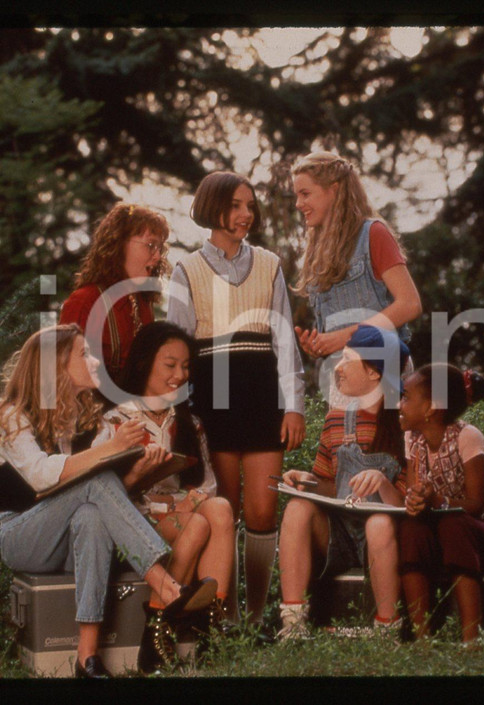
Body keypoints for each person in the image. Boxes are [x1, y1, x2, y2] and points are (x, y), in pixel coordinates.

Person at [0, 324, 217, 678]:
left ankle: (87, 658)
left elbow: (112, 493)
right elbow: (43, 476)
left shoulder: (89, 416)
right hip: (21, 536)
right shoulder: (14, 416)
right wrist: (111, 450)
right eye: (82, 354)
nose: (93, 361)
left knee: (91, 513)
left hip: (70, 538)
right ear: (56, 364)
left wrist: (141, 466)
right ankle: (165, 585)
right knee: (95, 482)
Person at [166, 171, 306, 630]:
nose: (246, 214)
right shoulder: (186, 270)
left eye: (250, 206)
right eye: (236, 205)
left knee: (264, 510)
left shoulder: (269, 264)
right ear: (213, 208)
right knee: (226, 505)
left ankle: (257, 615)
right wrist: (183, 415)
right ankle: (222, 615)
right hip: (213, 400)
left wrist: (294, 406)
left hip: (263, 397)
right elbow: (178, 350)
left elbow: (285, 341)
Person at [105, 321, 237, 670]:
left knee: (219, 509)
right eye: (170, 365)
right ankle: (159, 626)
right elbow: (105, 496)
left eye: (186, 366)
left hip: (183, 514)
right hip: (138, 524)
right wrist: (145, 481)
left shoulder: (189, 422)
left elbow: (208, 484)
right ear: (145, 363)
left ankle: (208, 628)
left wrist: (189, 501)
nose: (180, 374)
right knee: (198, 522)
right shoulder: (118, 419)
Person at [276, 324, 408, 640]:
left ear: (375, 373)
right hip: (339, 535)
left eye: (347, 359)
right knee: (297, 507)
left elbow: (409, 502)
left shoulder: (406, 420)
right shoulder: (337, 417)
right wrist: (307, 481)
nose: (338, 367)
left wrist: (382, 482)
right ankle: (293, 625)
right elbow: (328, 484)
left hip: (387, 535)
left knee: (377, 523)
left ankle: (387, 629)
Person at [396, 363, 484, 643]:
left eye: (406, 397)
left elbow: (476, 505)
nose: (400, 404)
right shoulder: (412, 438)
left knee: (454, 524)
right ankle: (422, 639)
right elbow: (413, 486)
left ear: (431, 408)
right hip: (442, 525)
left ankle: (471, 639)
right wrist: (415, 500)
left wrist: (435, 499)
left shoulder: (468, 437)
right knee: (411, 529)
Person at [290, 151, 423, 405]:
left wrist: (343, 337)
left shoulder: (373, 233)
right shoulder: (317, 248)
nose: (298, 204)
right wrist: (321, 344)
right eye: (297, 195)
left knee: (384, 446)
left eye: (305, 194)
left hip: (382, 373)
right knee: (343, 446)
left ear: (334, 190)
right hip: (342, 377)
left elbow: (410, 304)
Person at [60, 203, 172, 387]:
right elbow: (66, 379)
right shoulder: (85, 301)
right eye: (150, 245)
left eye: (160, 248)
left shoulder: (142, 304)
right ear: (119, 245)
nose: (158, 256)